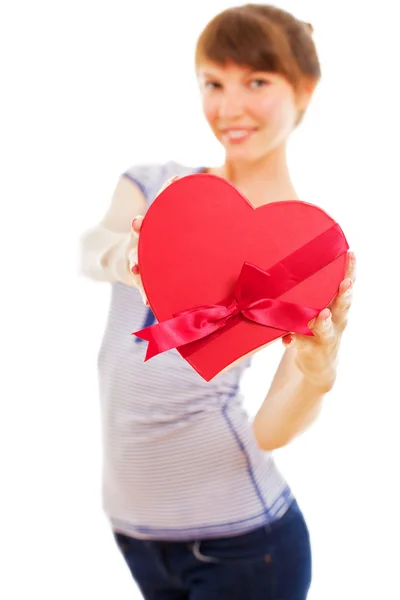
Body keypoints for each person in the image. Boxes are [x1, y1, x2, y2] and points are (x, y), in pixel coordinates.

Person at [79, 4, 355, 599]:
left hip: (245, 547)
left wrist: (316, 373)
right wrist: (127, 258)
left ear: (304, 87)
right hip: (134, 534)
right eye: (214, 83)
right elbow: (87, 250)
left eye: (257, 81)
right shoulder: (154, 187)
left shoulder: (309, 253)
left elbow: (274, 430)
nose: (230, 107)